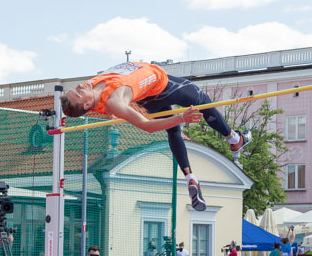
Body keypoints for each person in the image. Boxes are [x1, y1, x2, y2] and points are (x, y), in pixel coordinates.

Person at [60, 61, 251, 211]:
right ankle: (235, 139)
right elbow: (147, 125)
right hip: (162, 86)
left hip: (148, 94)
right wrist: (181, 117)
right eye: (78, 91)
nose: (79, 85)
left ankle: (190, 176)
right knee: (203, 101)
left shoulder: (89, 87)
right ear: (86, 105)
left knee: (173, 131)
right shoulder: (115, 101)